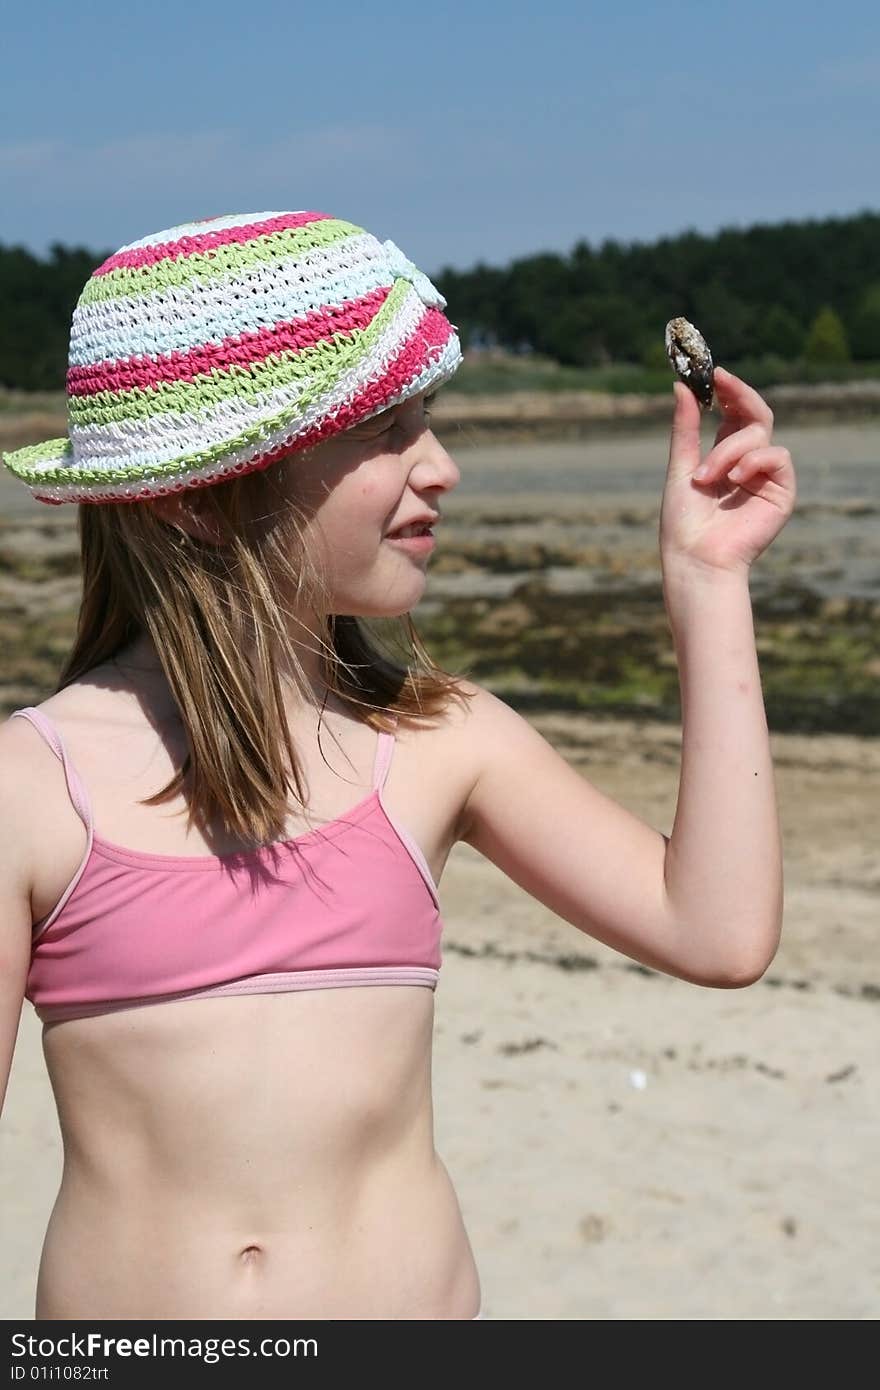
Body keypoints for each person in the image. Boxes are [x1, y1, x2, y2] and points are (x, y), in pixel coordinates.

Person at [0, 209, 796, 1321]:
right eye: (385, 432)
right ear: (199, 493)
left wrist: (707, 586)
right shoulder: (30, 791)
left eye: (429, 422)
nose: (444, 468)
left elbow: (714, 931)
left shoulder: (435, 740)